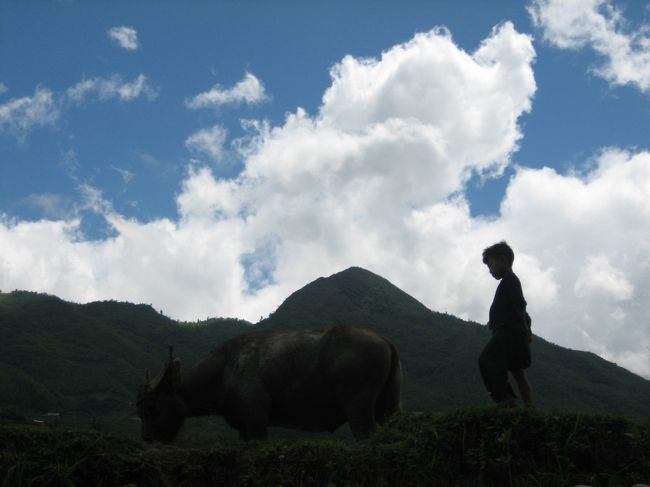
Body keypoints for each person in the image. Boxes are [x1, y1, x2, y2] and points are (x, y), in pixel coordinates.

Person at [478, 241, 533, 408]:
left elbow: (520, 306)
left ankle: (505, 400)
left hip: (508, 333)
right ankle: (529, 407)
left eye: (491, 264)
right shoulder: (509, 281)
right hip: (511, 332)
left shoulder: (510, 280)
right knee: (517, 372)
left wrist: (525, 330)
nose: (490, 270)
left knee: (487, 360)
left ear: (502, 260)